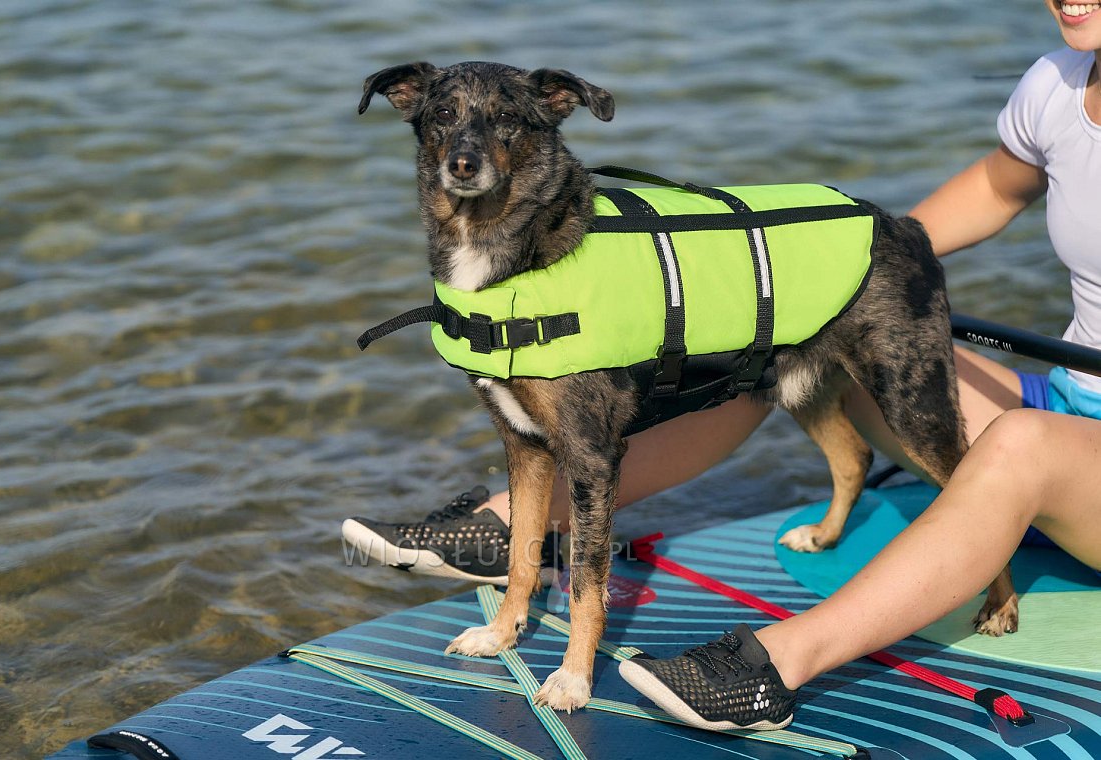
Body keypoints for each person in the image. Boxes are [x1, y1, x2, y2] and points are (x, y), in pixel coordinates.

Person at [345, 0, 1101, 728]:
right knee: (754, 343)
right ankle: (506, 533)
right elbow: (998, 187)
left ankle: (784, 660)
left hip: (1065, 448)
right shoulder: (1059, 81)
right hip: (1070, 396)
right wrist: (857, 258)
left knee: (1015, 446)